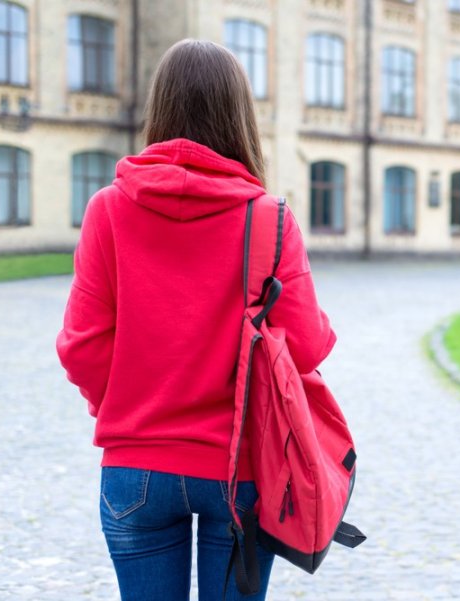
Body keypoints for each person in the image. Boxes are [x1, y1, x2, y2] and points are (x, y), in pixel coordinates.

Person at [56, 39, 336, 601]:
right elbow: (306, 346)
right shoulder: (270, 219)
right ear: (240, 117)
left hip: (134, 467)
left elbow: (81, 347)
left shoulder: (108, 210)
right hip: (240, 469)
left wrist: (122, 409)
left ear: (158, 109)